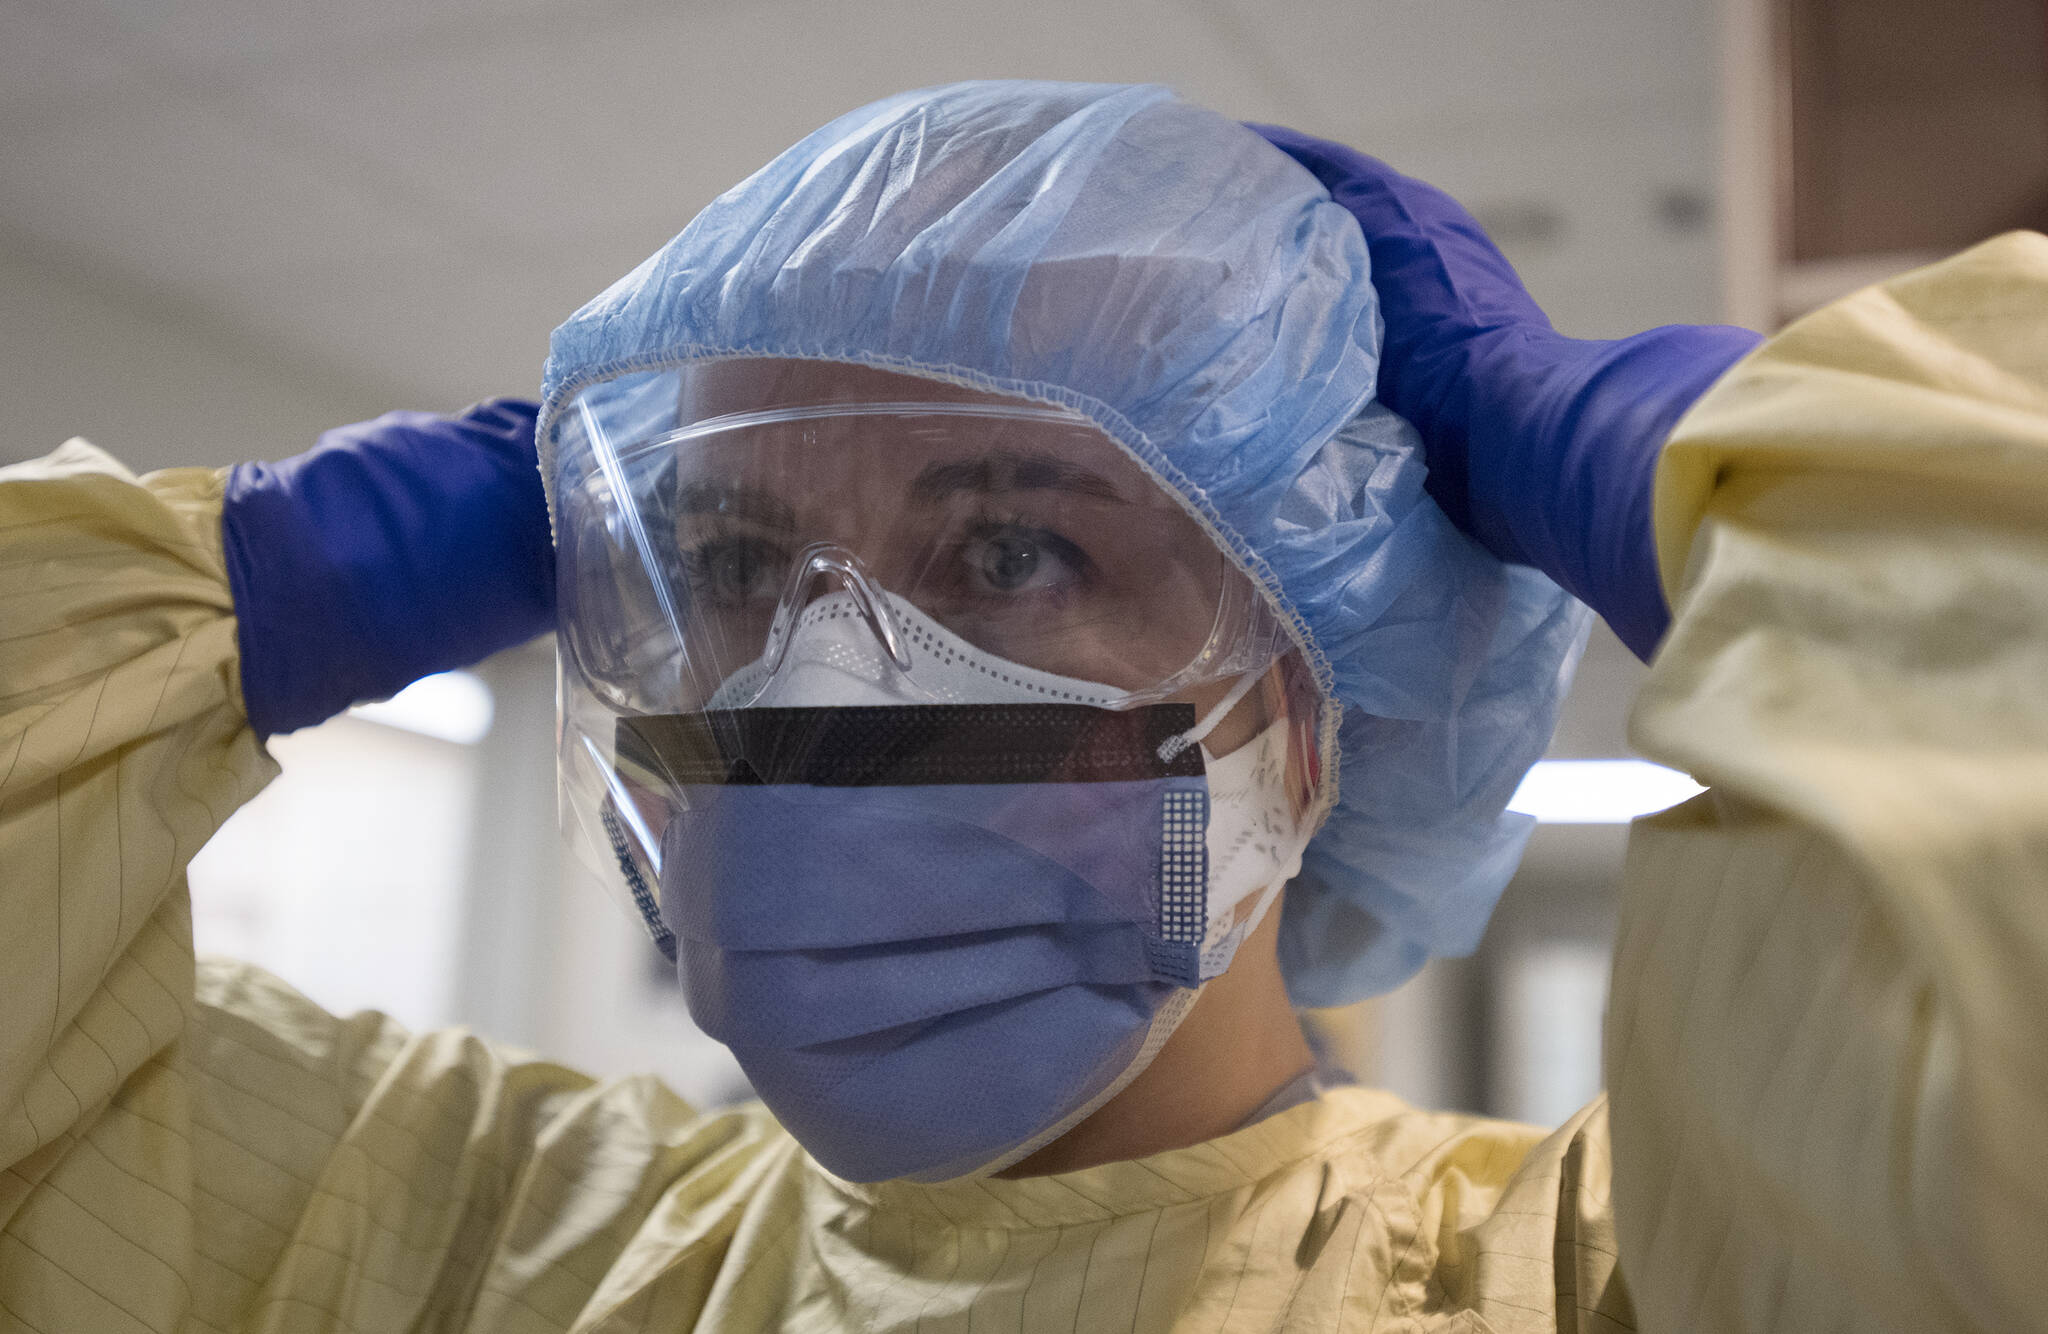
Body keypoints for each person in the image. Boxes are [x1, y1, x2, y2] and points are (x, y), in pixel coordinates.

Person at [1, 79, 2041, 1333]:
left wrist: (1672, 458)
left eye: (1007, 553)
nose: (808, 676)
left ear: (1305, 722)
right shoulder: (465, 1240)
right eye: (722, 565)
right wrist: (296, 579)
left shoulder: (1593, 1282)